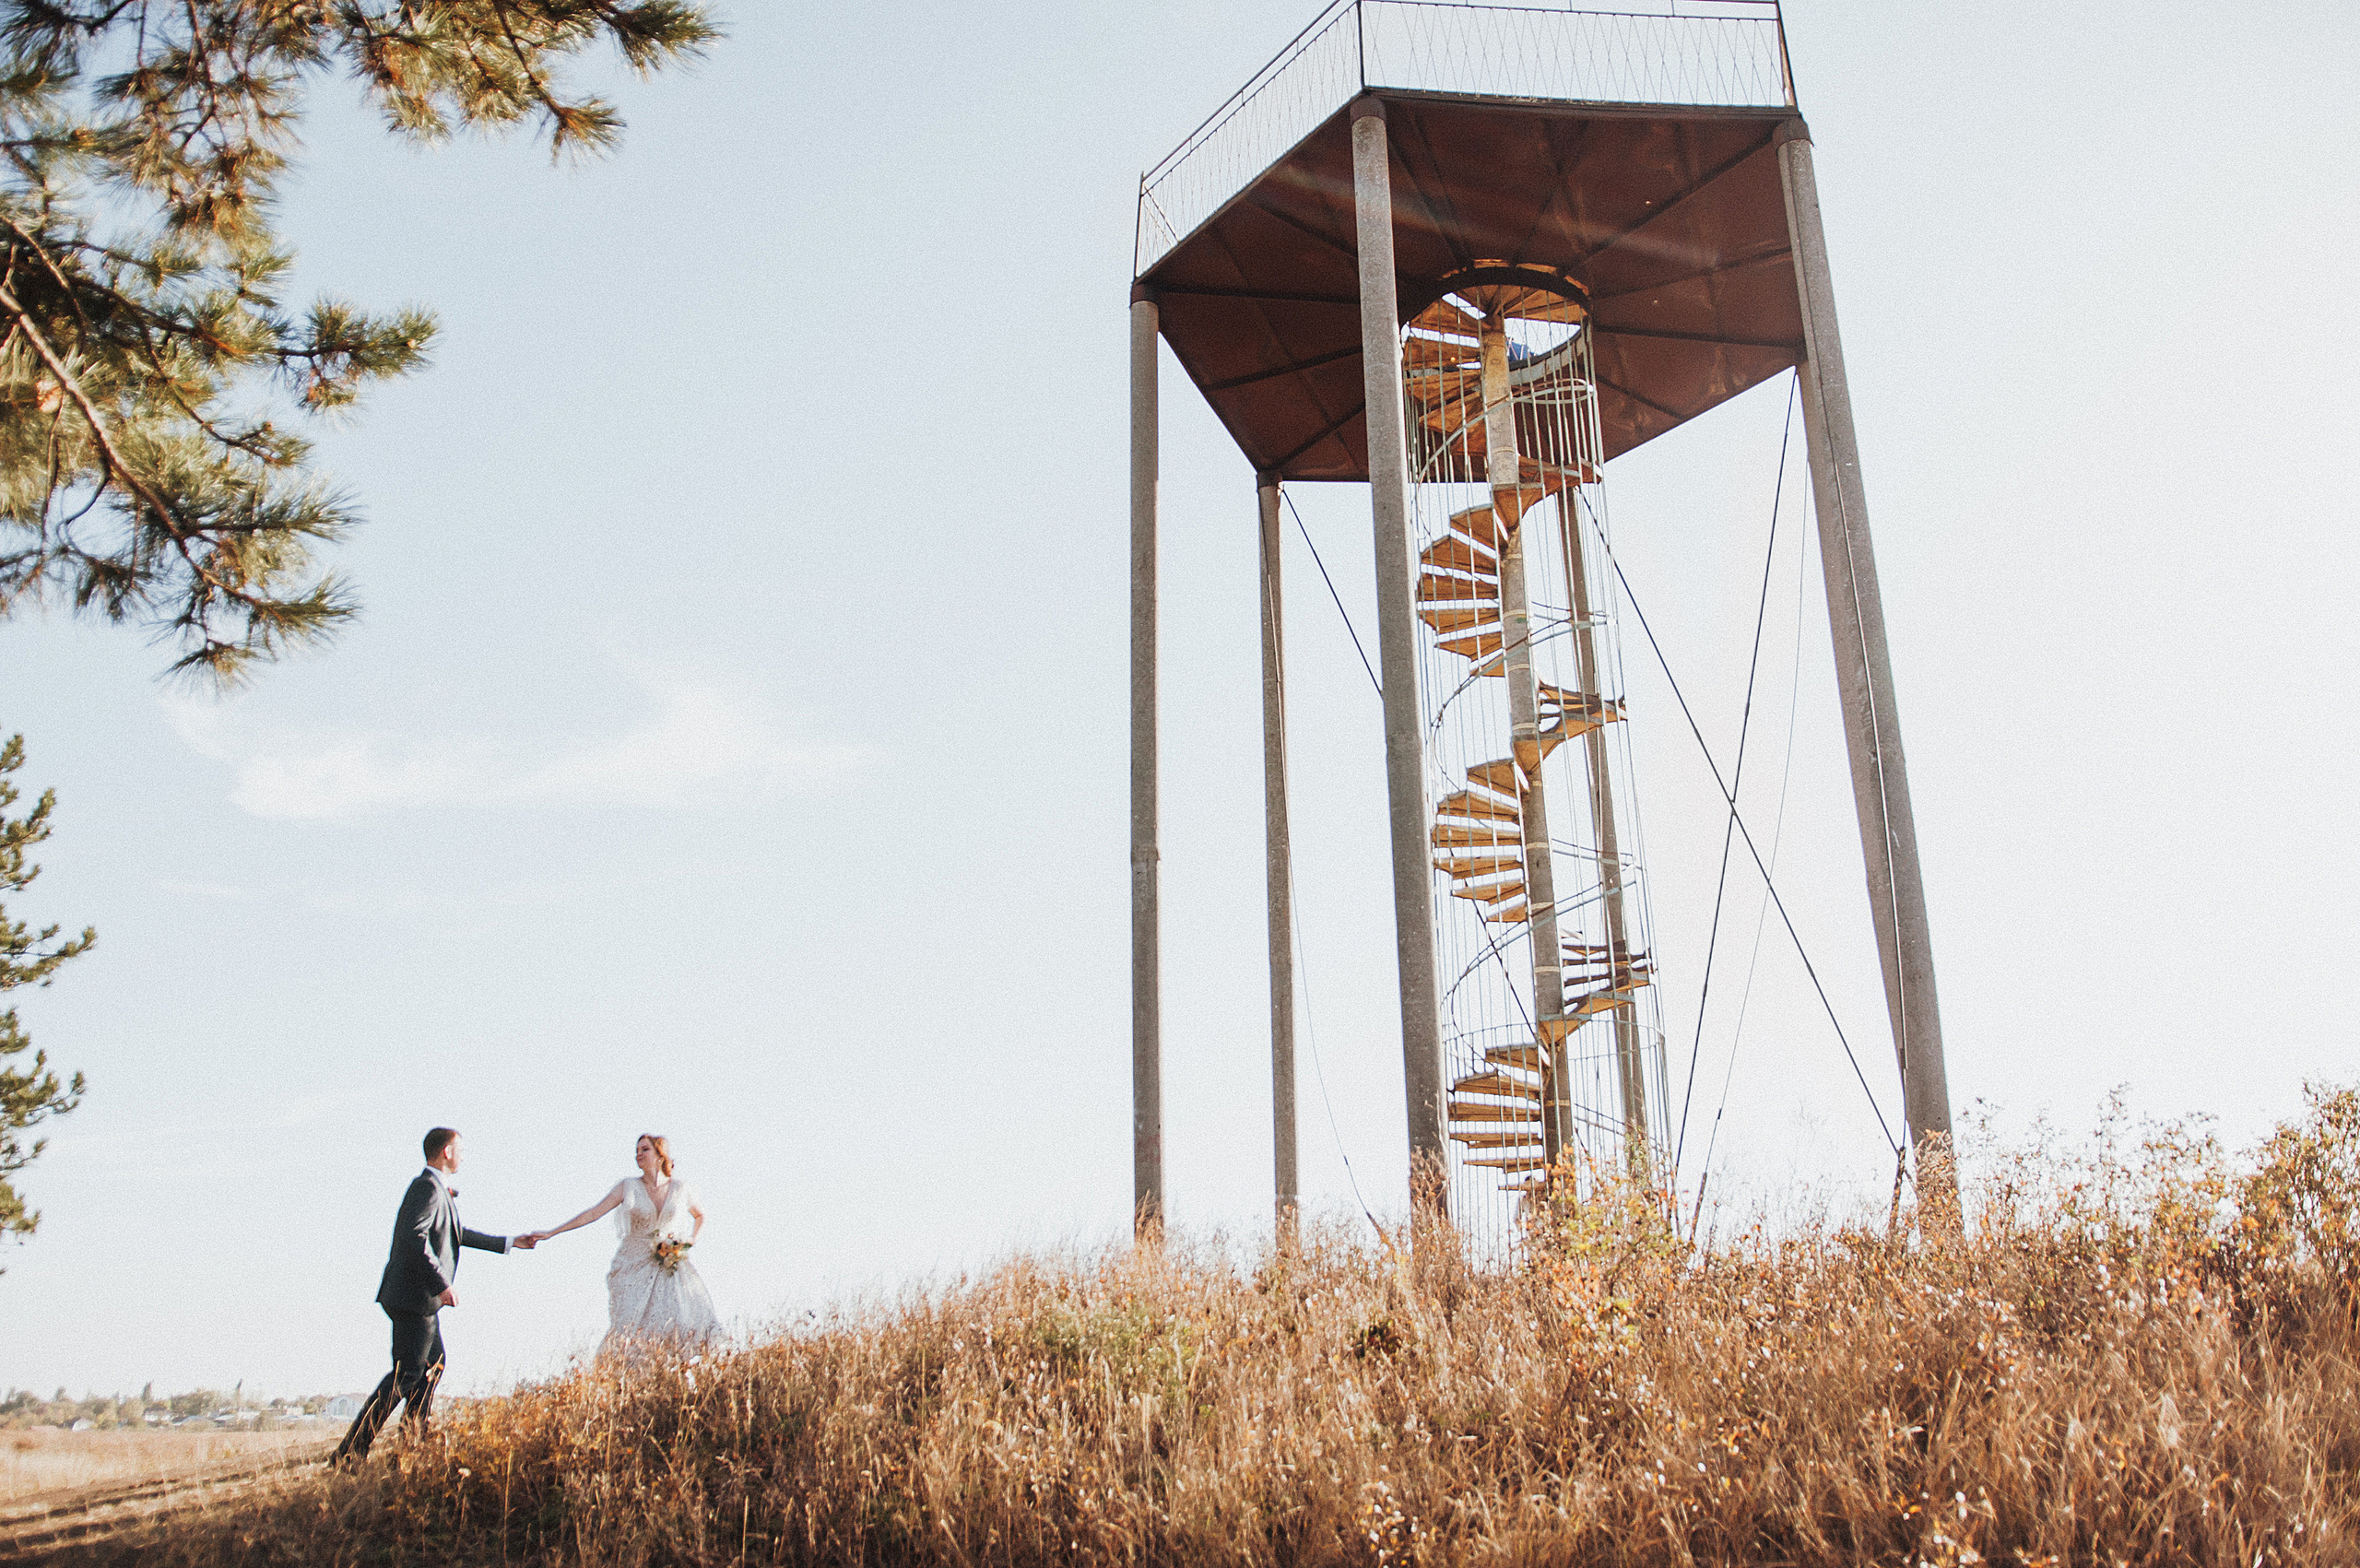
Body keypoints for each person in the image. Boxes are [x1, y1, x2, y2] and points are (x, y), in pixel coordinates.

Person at [334, 1127, 533, 1463]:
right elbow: (414, 1236)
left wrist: (509, 1242)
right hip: (414, 1297)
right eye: (461, 1149)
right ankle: (351, 1452)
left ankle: (411, 1442)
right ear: (446, 1152)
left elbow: (457, 1233)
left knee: (432, 1365)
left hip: (413, 1297)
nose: (464, 1155)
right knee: (407, 1373)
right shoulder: (426, 1187)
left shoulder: (436, 1188)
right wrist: (441, 1283)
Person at [523, 1134, 719, 1353]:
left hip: (669, 1264)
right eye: (637, 1151)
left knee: (677, 1318)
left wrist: (690, 1240)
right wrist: (552, 1232)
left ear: (660, 1155)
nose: (639, 1155)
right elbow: (594, 1213)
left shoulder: (680, 1189)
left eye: (645, 1150)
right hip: (633, 1264)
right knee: (630, 1326)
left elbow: (701, 1215)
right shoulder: (628, 1186)